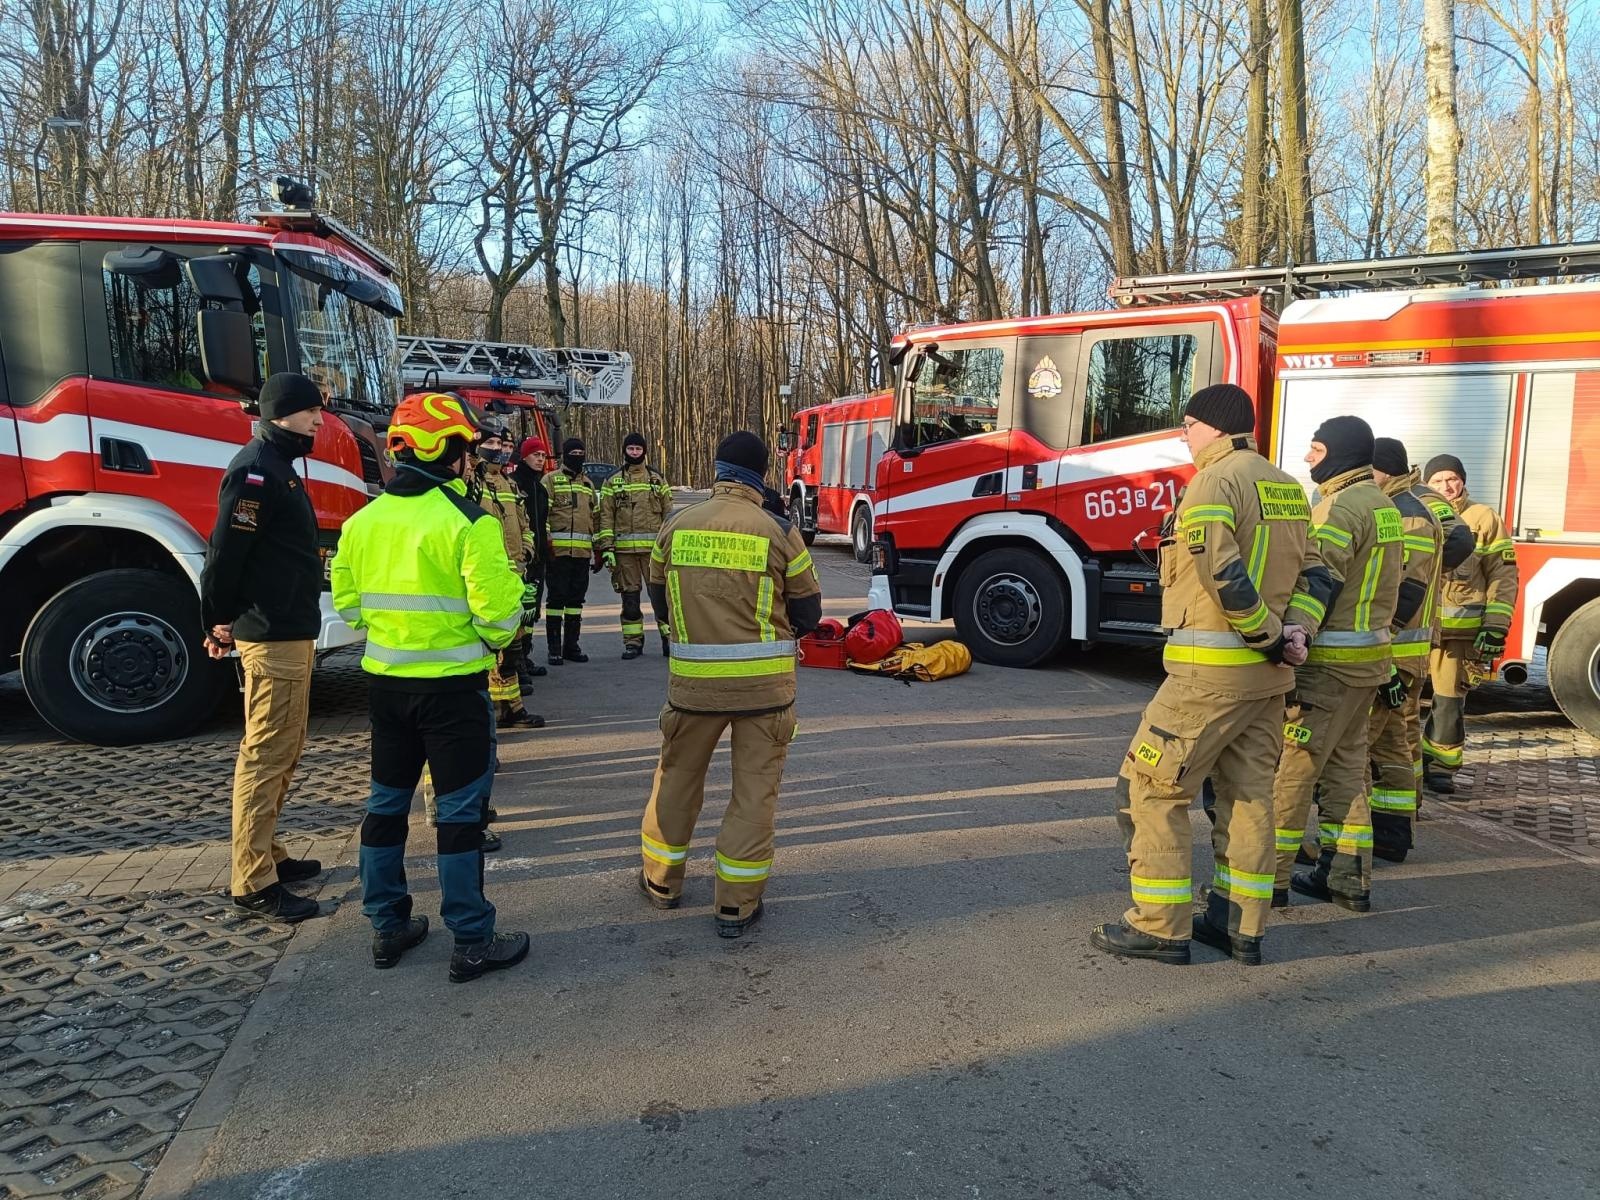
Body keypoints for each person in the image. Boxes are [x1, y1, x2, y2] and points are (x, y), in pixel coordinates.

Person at [1090, 384, 1314, 967]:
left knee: (1148, 788)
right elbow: (1317, 576)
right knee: (1248, 799)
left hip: (1207, 678)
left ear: (1212, 427)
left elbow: (1221, 568)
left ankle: (1160, 927)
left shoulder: (1214, 482)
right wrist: (1294, 634)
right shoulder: (1287, 487)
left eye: (1187, 427)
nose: (1185, 438)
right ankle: (1240, 927)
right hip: (1268, 683)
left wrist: (1265, 632)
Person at [329, 391, 529, 983]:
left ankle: (388, 926)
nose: (474, 459)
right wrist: (517, 606)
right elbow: (498, 619)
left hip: (386, 687)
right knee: (460, 815)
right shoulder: (471, 522)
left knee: (386, 805)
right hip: (453, 693)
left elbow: (349, 606)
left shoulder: (362, 522)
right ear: (449, 452)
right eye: (469, 448)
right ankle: (471, 940)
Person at [638, 432, 822, 938]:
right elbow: (809, 612)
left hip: (693, 687)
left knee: (676, 779)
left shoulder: (676, 526)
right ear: (760, 476)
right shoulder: (780, 531)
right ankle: (735, 905)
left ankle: (661, 883)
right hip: (765, 693)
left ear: (717, 470)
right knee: (753, 792)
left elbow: (659, 598)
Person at [201, 372, 328, 924]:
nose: (320, 422)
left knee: (286, 748)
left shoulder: (279, 468)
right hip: (270, 632)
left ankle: (269, 854)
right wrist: (217, 619)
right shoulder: (255, 472)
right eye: (311, 413)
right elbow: (226, 553)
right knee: (266, 753)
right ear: (283, 413)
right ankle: (252, 880)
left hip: (290, 628)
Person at [1271, 416, 1402, 914]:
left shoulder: (1337, 509)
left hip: (1327, 669)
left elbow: (1317, 579)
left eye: (1316, 449)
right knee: (1347, 775)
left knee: (1293, 775)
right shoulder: (1383, 505)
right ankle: (1348, 878)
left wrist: (1294, 633)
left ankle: (1270, 882)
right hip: (1369, 666)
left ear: (1339, 454)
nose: (1308, 459)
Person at [1365, 438, 1473, 860]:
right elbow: (1456, 540)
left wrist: (1424, 575)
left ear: (1384, 470)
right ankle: (1398, 823)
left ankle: (1350, 848)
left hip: (1396, 643)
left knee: (1361, 744)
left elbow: (1456, 544)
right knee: (1400, 736)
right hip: (1413, 641)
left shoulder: (1409, 506)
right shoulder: (1422, 499)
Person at [1421, 454, 1519, 794]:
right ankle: (1395, 764)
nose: (1446, 486)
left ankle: (1441, 769)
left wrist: (1496, 624)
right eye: (1437, 481)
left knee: (1448, 703)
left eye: (1452, 478)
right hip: (1417, 632)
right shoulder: (1418, 512)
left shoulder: (1483, 518)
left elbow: (1503, 575)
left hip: (1458, 635)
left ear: (1463, 480)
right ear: (1426, 484)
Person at [466, 417, 544, 731]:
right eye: (491, 444)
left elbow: (524, 525)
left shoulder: (510, 485)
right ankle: (495, 714)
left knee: (512, 649)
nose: (497, 449)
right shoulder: (471, 484)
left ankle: (513, 709)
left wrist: (527, 550)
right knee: (492, 652)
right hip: (488, 578)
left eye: (500, 444)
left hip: (514, 575)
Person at [598, 431, 674, 658]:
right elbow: (605, 516)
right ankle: (633, 643)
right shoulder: (613, 481)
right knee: (630, 600)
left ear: (645, 451)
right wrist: (607, 548)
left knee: (660, 599)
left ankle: (669, 639)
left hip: (654, 555)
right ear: (625, 451)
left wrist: (669, 547)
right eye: (630, 449)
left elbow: (669, 517)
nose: (634, 453)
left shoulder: (657, 480)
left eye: (638, 449)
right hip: (624, 555)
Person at [543, 437, 605, 665]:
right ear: (565, 455)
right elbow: (543, 515)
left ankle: (571, 646)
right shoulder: (550, 480)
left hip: (581, 556)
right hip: (557, 554)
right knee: (556, 600)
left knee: (576, 601)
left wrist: (598, 550)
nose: (577, 456)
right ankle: (554, 648)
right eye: (573, 452)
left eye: (581, 452)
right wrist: (547, 541)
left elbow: (596, 520)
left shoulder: (588, 485)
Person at [513, 436, 552, 688]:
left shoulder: (540, 489)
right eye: (536, 455)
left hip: (537, 559)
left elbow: (542, 522)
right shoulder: (516, 484)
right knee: (517, 613)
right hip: (520, 559)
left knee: (530, 612)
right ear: (524, 456)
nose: (540, 459)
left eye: (542, 456)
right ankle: (514, 663)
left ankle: (524, 656)